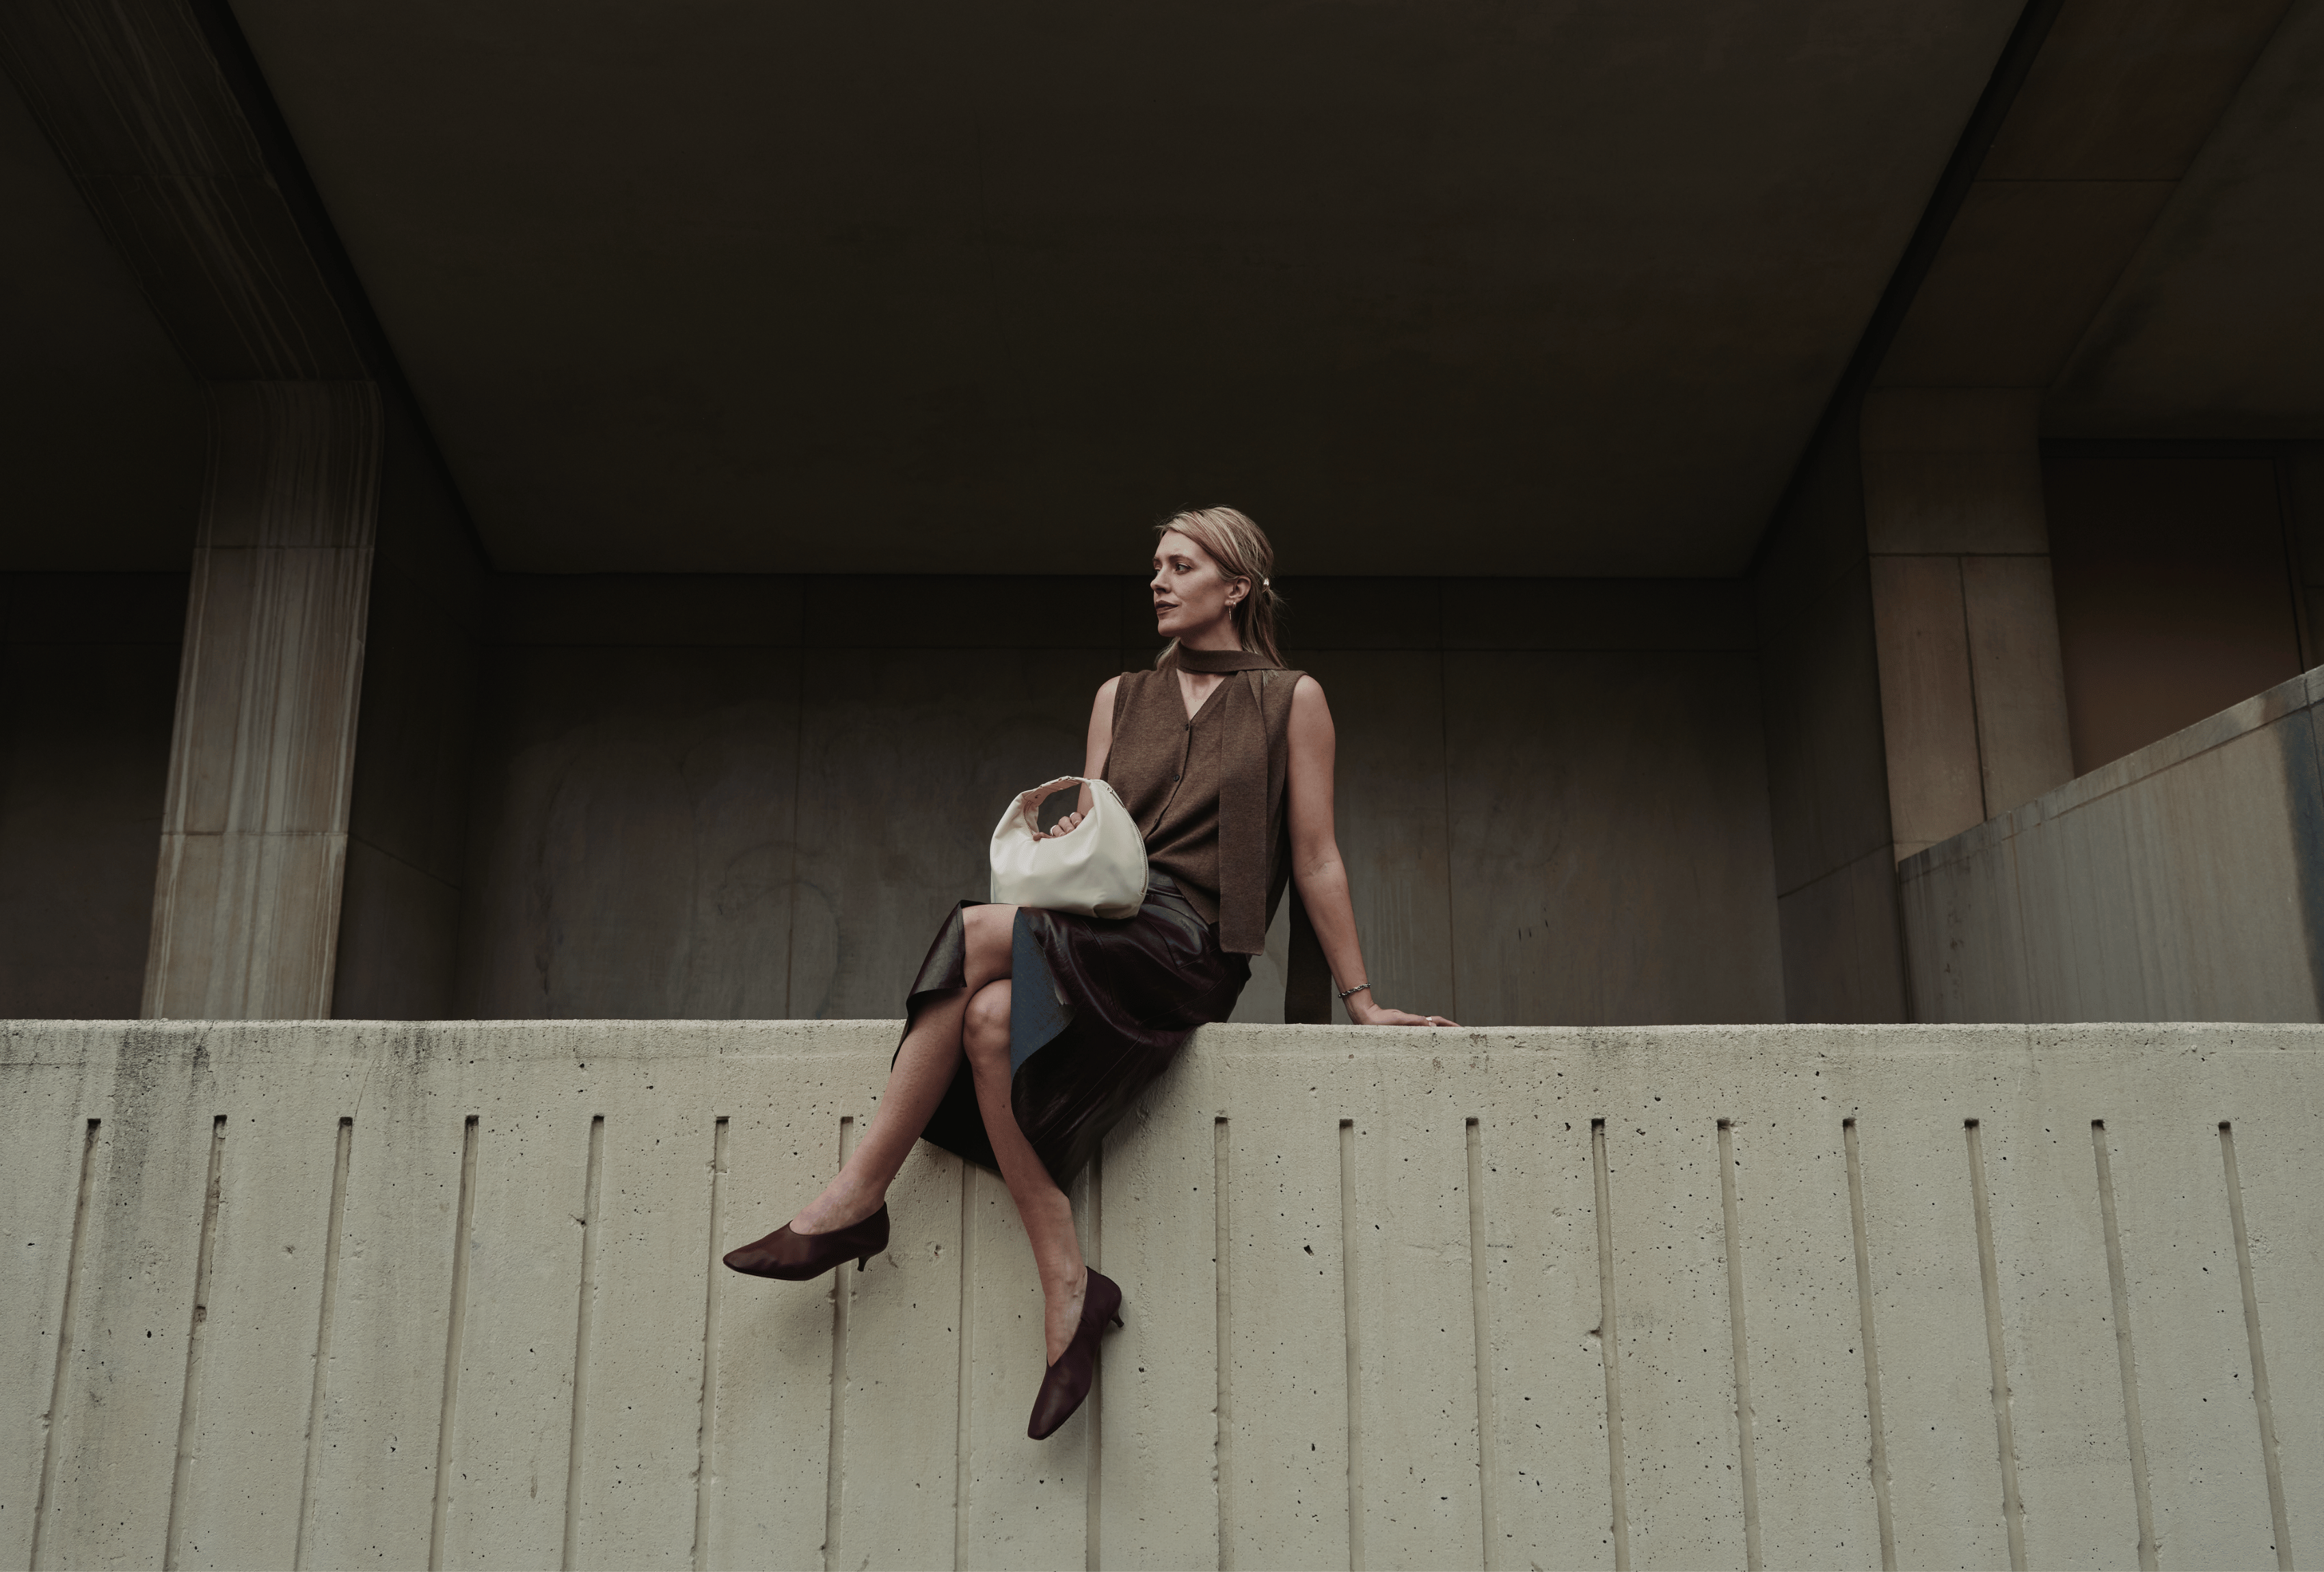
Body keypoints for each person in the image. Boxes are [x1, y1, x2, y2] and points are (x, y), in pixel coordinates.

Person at [721, 506, 1457, 1439]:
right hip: (1104, 924)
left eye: (1180, 565)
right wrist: (1068, 830)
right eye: (1155, 564)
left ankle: (856, 1197)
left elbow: (1314, 857)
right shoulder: (1120, 695)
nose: (1157, 579)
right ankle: (1070, 1285)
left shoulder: (1293, 699)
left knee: (975, 932)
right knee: (988, 1018)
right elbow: (1095, 842)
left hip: (1190, 946)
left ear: (1235, 587)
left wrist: (1364, 1003)